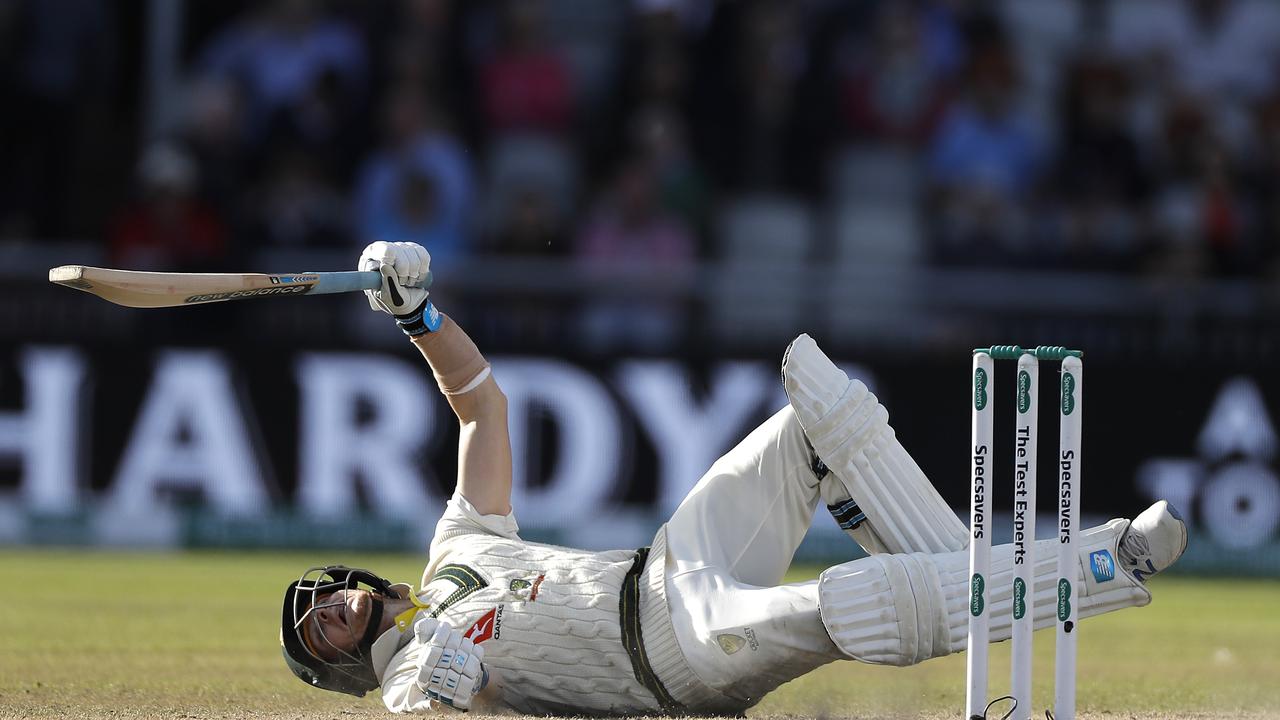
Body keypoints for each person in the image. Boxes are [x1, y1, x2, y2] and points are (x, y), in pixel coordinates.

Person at [280, 241, 1188, 715]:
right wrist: (452, 690)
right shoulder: (402, 686)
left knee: (816, 411)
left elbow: (481, 404)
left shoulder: (457, 550)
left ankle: (994, 592)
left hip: (672, 566)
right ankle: (1099, 564)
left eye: (317, 600)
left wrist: (418, 313)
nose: (327, 612)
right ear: (339, 670)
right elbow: (458, 707)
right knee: (844, 605)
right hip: (676, 658)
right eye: (317, 633)